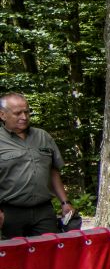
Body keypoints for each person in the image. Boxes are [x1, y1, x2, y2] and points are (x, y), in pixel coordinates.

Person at [0, 92, 75, 240]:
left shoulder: (43, 136)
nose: (24, 117)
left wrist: (65, 202)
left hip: (43, 211)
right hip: (10, 212)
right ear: (2, 115)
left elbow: (53, 172)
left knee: (49, 253)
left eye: (26, 112)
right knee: (13, 259)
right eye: (17, 113)